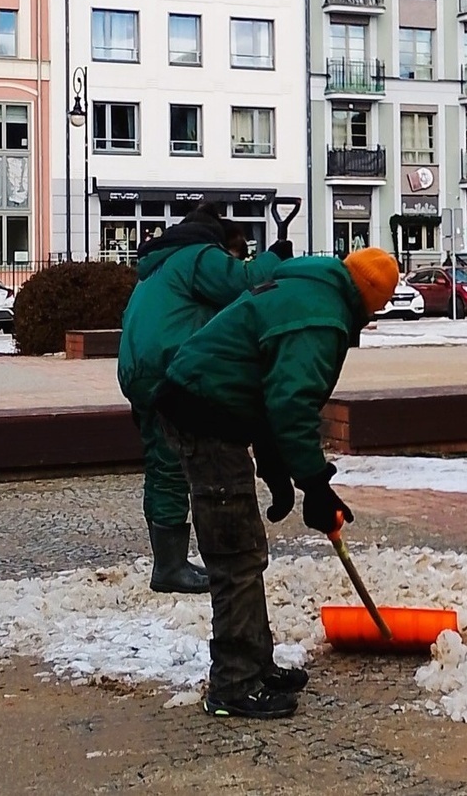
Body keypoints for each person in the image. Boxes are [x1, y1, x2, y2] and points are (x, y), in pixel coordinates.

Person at [157, 247, 400, 720]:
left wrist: (277, 471)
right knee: (236, 555)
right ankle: (232, 684)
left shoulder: (308, 288)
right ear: (371, 301)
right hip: (203, 415)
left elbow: (267, 390)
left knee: (247, 551)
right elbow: (290, 404)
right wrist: (315, 484)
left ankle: (255, 662)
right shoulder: (321, 317)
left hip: (214, 408)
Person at [117, 204, 291, 594]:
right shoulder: (197, 255)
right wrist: (274, 257)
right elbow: (241, 280)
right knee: (177, 465)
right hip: (167, 365)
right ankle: (171, 567)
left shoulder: (156, 269)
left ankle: (169, 563)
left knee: (162, 463)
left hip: (137, 369)